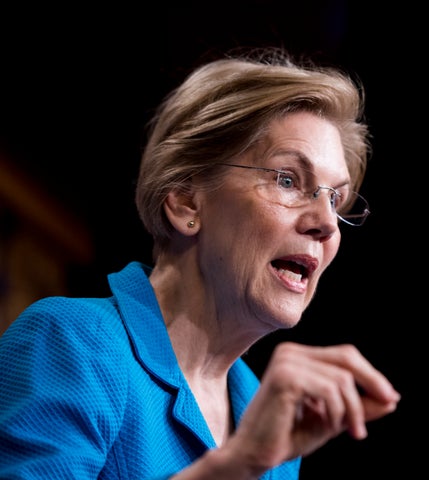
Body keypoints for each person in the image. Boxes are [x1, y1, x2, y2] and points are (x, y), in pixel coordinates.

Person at [0, 46, 400, 479]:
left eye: (336, 199)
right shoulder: (74, 344)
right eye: (287, 180)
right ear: (186, 200)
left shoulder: (271, 430)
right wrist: (236, 465)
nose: (326, 223)